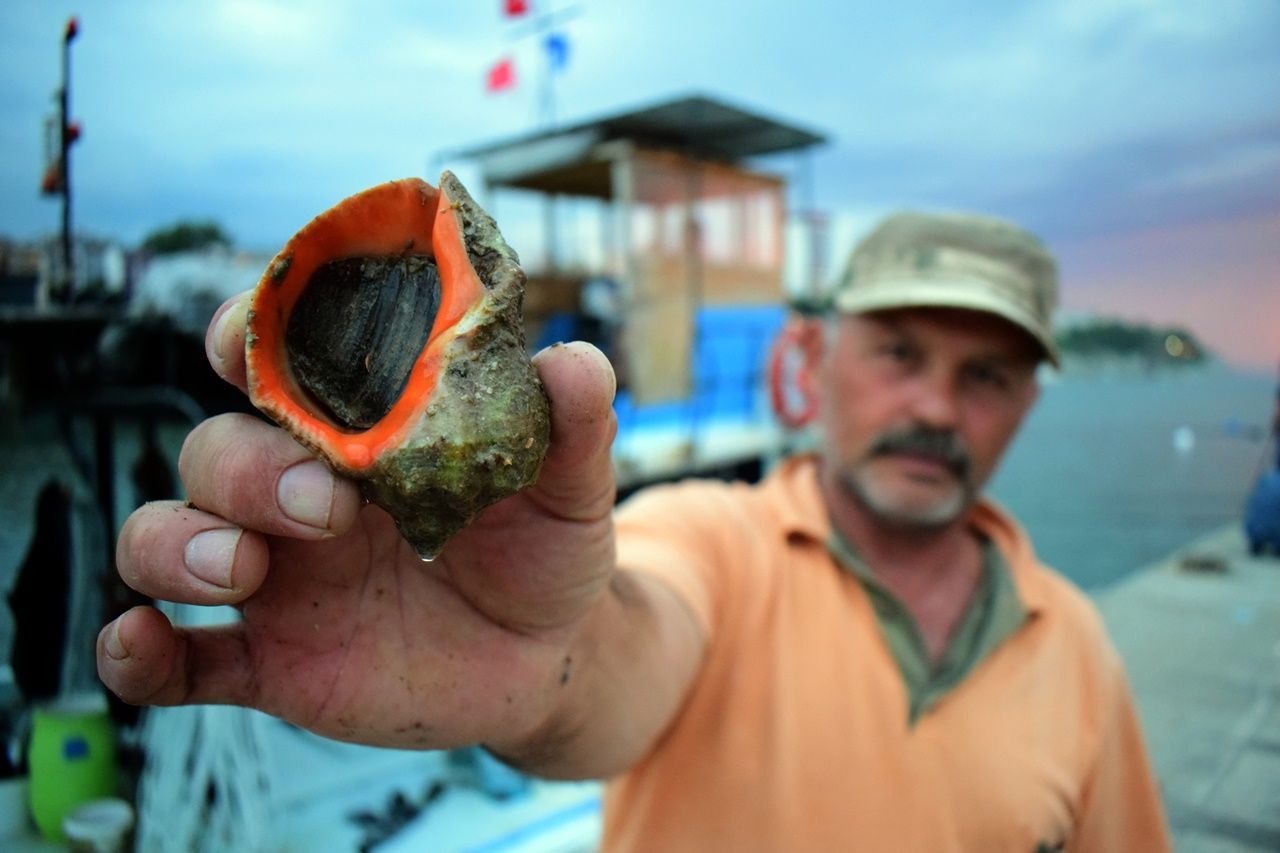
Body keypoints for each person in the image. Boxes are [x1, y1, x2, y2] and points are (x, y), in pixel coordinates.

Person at [97, 211, 1171, 851]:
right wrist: (543, 663)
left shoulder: (1073, 644)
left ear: (1027, 401)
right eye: (897, 351)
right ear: (814, 357)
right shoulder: (712, 537)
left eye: (984, 374)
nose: (935, 408)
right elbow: (619, 643)